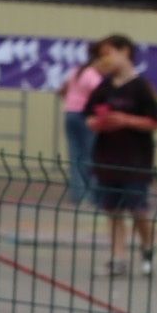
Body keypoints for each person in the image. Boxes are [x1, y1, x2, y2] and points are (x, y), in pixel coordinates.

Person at [84, 34, 157, 278]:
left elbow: (156, 121)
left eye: (108, 53)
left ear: (125, 51)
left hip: (136, 159)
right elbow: (88, 117)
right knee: (113, 211)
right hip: (108, 156)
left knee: (138, 209)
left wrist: (126, 120)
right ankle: (118, 257)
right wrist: (100, 123)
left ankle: (147, 247)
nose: (104, 60)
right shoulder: (104, 87)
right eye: (101, 55)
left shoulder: (141, 87)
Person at [57, 49, 103, 205]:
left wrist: (72, 100)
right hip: (85, 116)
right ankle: (93, 195)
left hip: (70, 114)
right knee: (91, 156)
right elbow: (100, 94)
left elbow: (62, 90)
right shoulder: (93, 74)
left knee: (75, 156)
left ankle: (78, 194)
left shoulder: (76, 71)